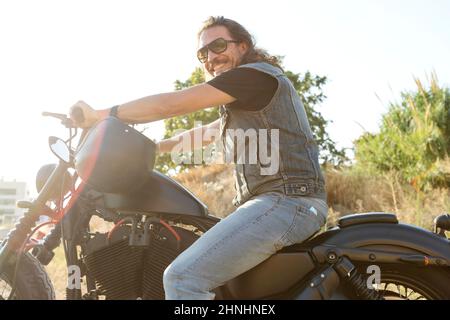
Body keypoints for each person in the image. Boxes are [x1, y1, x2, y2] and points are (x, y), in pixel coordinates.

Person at [70, 16, 328, 300]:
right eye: (203, 53)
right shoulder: (248, 99)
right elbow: (206, 134)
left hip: (288, 202)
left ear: (243, 45)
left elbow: (170, 104)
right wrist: (152, 147)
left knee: (183, 278)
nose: (211, 58)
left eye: (218, 46)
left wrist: (101, 115)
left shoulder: (255, 76)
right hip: (277, 203)